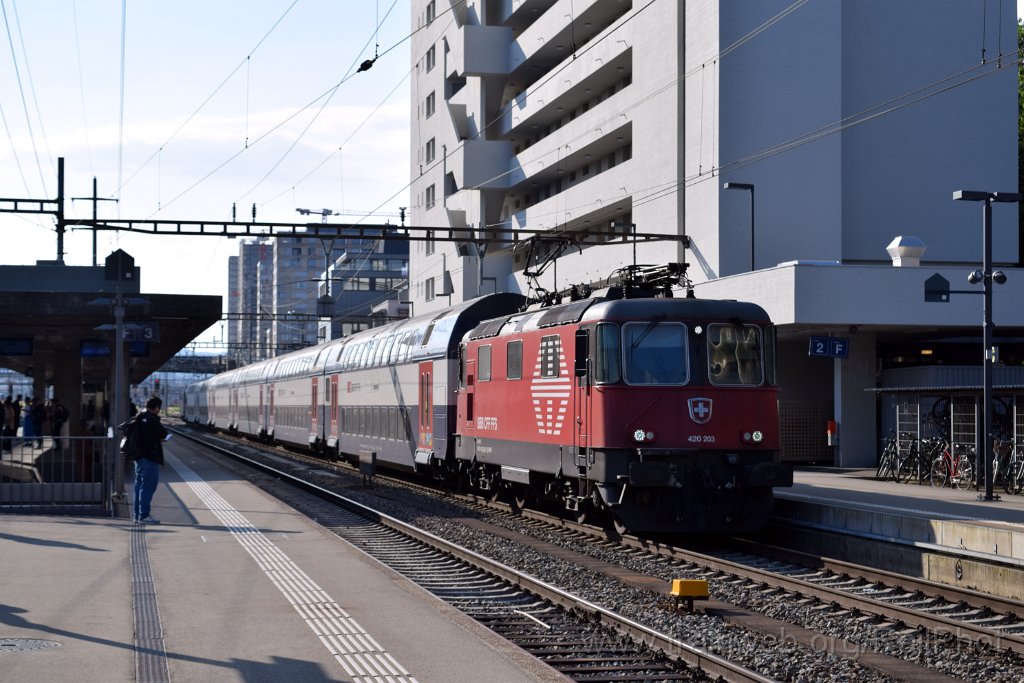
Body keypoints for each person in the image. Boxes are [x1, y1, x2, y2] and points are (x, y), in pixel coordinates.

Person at [131, 396, 167, 524]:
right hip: (149, 457)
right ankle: (143, 516)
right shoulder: (152, 419)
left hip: (138, 458)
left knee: (139, 486)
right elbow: (163, 434)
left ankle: (137, 515)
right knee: (147, 487)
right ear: (156, 408)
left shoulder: (139, 416)